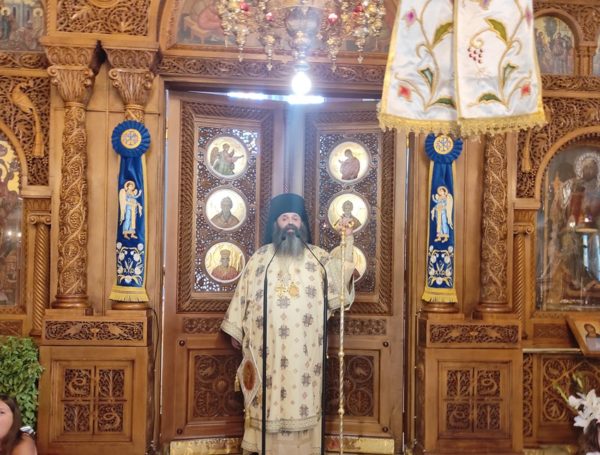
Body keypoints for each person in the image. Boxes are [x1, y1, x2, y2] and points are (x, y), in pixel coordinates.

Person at [221, 193, 355, 455]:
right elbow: (243, 295)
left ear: (302, 223)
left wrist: (347, 240)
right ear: (276, 223)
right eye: (285, 218)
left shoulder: (318, 257)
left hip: (304, 353)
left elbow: (339, 287)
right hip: (265, 351)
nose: (290, 223)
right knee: (266, 397)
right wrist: (235, 329)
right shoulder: (260, 258)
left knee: (301, 397)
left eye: (295, 218)